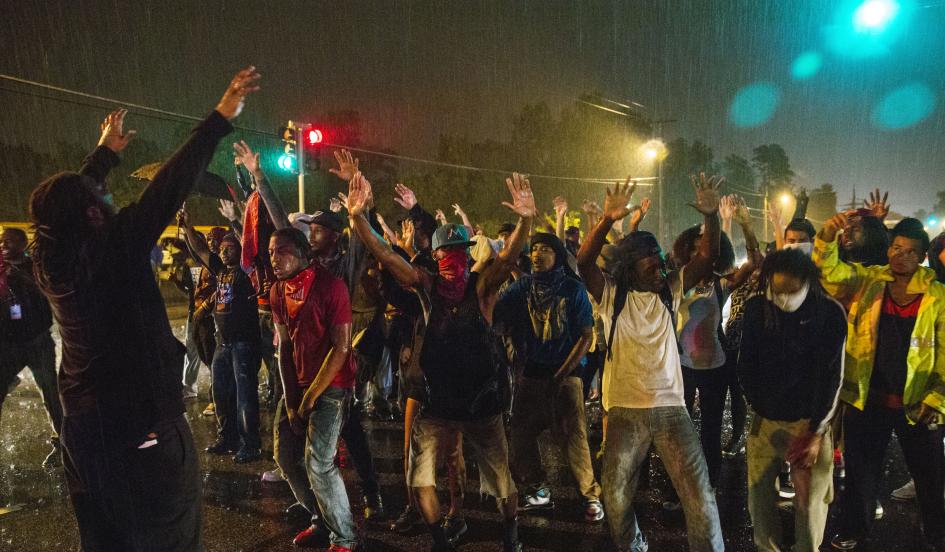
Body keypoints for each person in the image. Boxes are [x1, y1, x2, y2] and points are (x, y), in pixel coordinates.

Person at [28, 68, 260, 550]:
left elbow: (65, 208)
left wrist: (102, 158)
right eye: (100, 199)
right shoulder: (114, 247)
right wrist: (218, 118)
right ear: (94, 214)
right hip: (141, 429)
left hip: (85, 434)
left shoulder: (47, 257)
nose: (107, 201)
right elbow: (169, 186)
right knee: (168, 536)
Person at [348, 170, 535, 552]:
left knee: (503, 486)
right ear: (434, 258)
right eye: (446, 255)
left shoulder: (482, 289)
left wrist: (526, 220)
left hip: (482, 405)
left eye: (461, 254)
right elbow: (386, 254)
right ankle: (440, 542)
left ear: (469, 256)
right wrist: (357, 219)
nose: (455, 261)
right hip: (437, 405)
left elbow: (509, 257)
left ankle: (511, 538)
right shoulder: (427, 288)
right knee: (420, 482)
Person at [233, 141, 385, 519]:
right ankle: (322, 508)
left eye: (320, 229)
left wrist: (359, 190)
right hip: (304, 364)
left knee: (353, 437)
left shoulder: (344, 266)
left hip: (336, 367)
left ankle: (370, 497)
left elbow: (362, 231)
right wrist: (258, 175)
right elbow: (281, 221)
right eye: (311, 229)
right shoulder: (300, 264)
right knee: (299, 444)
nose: (312, 233)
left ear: (334, 235)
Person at [576, 176, 725, 552]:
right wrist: (607, 221)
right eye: (651, 265)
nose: (661, 269)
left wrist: (712, 217)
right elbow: (583, 261)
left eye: (661, 262)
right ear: (631, 268)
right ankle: (634, 546)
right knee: (615, 497)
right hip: (624, 412)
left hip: (672, 410)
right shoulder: (611, 295)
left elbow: (706, 257)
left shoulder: (671, 289)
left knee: (700, 497)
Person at [814, 215, 945, 551]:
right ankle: (854, 530)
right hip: (867, 398)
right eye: (895, 248)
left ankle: (936, 534)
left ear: (922, 257)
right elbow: (830, 275)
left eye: (908, 251)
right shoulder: (869, 280)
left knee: (930, 478)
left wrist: (937, 399)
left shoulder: (937, 297)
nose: (898, 255)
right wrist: (827, 236)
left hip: (917, 405)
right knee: (859, 474)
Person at [738, 249, 846, 552]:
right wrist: (758, 407)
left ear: (807, 282)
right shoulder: (757, 307)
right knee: (759, 502)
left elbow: (832, 379)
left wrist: (814, 433)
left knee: (809, 505)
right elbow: (745, 363)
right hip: (765, 421)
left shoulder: (829, 313)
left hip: (809, 425)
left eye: (791, 290)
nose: (783, 297)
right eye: (777, 289)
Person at [498, 232, 603, 522]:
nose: (537, 254)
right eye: (534, 249)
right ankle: (538, 490)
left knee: (574, 439)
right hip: (531, 375)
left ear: (557, 256)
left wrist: (562, 374)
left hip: (566, 377)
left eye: (545, 249)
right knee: (521, 438)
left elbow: (586, 335)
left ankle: (591, 496)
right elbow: (497, 310)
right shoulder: (522, 288)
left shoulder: (573, 289)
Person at [268, 227, 360, 551]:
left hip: (333, 384)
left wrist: (307, 400)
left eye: (281, 251)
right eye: (270, 252)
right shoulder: (277, 291)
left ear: (303, 252)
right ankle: (322, 519)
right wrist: (292, 403)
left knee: (318, 461)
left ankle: (345, 537)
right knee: (285, 456)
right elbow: (284, 350)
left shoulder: (331, 287)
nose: (274, 259)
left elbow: (342, 348)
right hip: (300, 385)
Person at [181, 214, 262, 464]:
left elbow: (252, 243)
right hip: (223, 344)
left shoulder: (248, 274)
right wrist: (187, 226)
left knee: (245, 396)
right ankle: (227, 438)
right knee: (221, 393)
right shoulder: (220, 272)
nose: (225, 253)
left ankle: (251, 445)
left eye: (230, 248)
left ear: (241, 250)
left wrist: (238, 220)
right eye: (223, 249)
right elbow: (202, 250)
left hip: (244, 344)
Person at [0, 227, 63, 467]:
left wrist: (17, 273)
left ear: (22, 243)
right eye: (2, 241)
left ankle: (63, 443)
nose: (4, 245)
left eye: (9, 241)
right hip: (10, 344)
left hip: (37, 341)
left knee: (51, 394)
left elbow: (46, 291)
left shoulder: (34, 266)